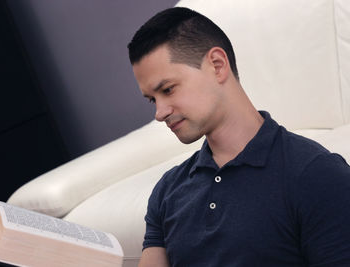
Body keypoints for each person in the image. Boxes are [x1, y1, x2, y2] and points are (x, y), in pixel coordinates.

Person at [127, 7, 350, 267]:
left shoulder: (317, 174)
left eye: (168, 89)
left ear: (217, 65)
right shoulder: (167, 190)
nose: (159, 112)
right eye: (152, 99)